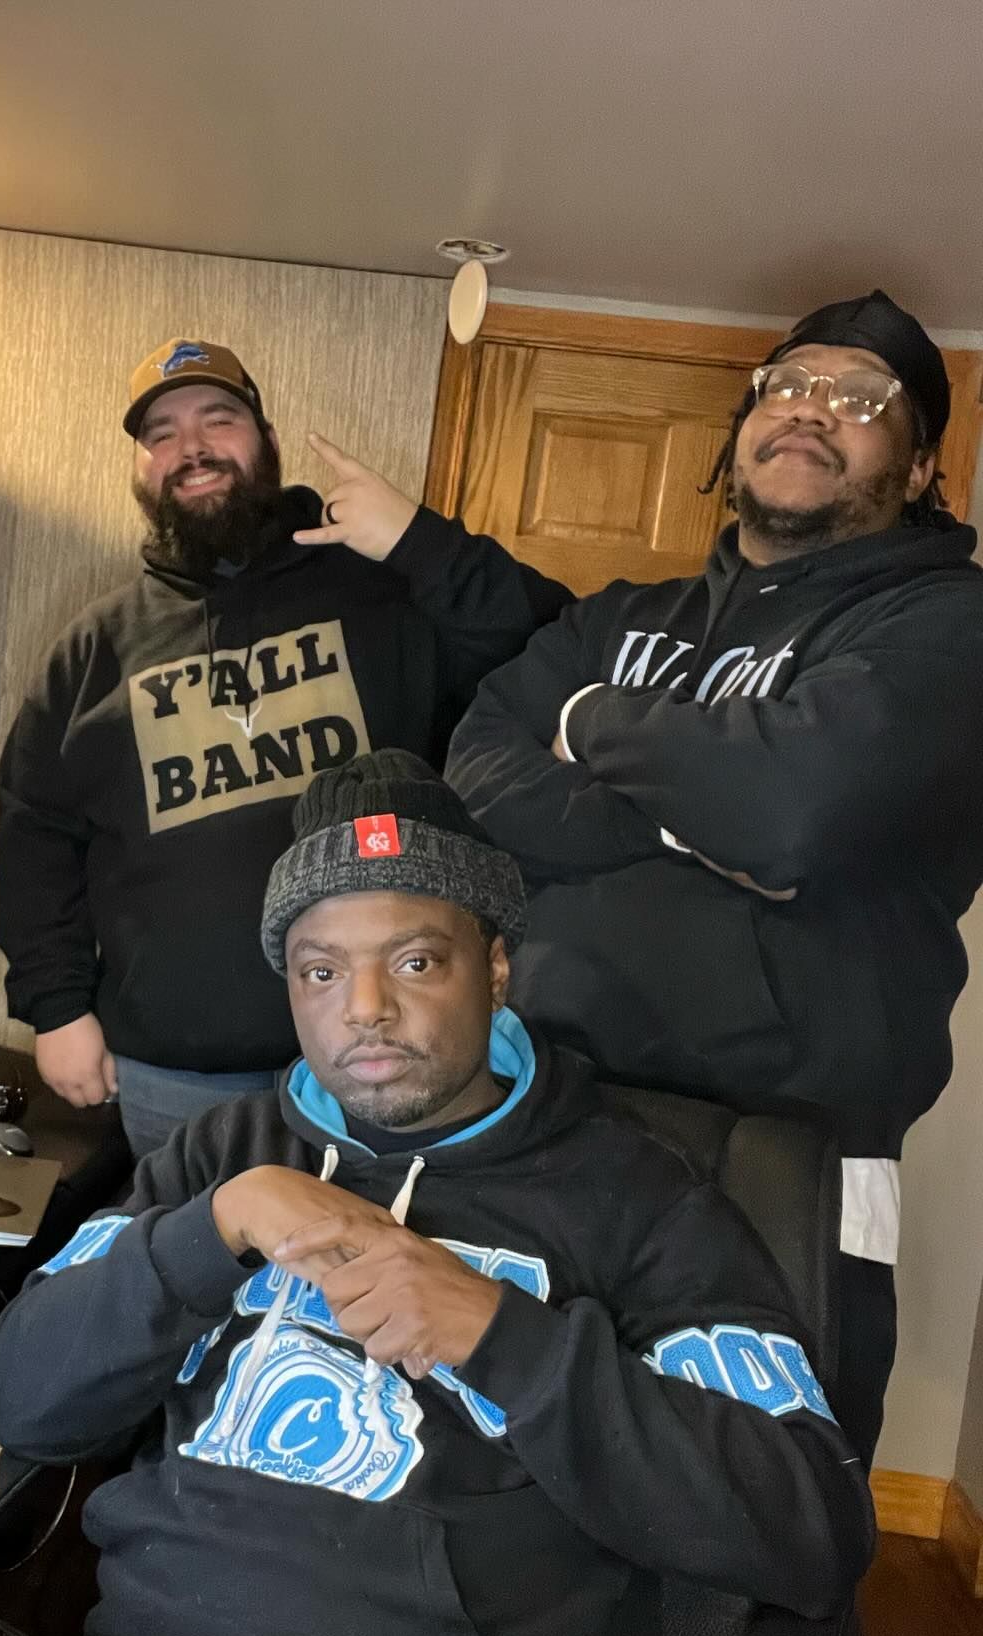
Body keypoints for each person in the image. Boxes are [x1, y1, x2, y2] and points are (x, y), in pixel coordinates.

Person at [0, 751, 873, 1636]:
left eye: (414, 963)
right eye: (320, 970)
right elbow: (29, 1406)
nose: (364, 1010)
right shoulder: (221, 1157)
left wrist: (504, 1338)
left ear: (494, 967)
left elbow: (809, 1525)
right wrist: (211, 1231)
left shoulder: (641, 1196)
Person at [294, 291, 983, 1469]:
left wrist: (594, 719)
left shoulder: (948, 623)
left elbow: (794, 804)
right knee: (503, 1480)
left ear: (919, 468)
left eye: (862, 402)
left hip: (781, 1158)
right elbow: (482, 768)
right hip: (543, 1124)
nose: (814, 411)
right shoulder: (624, 617)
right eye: (790, 384)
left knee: (755, 1510)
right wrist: (686, 823)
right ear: (742, 428)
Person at [0, 338, 566, 1159]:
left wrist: (416, 540)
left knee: (377, 1280)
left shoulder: (379, 588)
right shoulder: (95, 649)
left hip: (386, 1060)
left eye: (217, 419)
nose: (189, 447)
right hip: (178, 1080)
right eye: (161, 433)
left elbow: (554, 639)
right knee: (194, 1276)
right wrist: (56, 1008)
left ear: (264, 440)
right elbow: (34, 834)